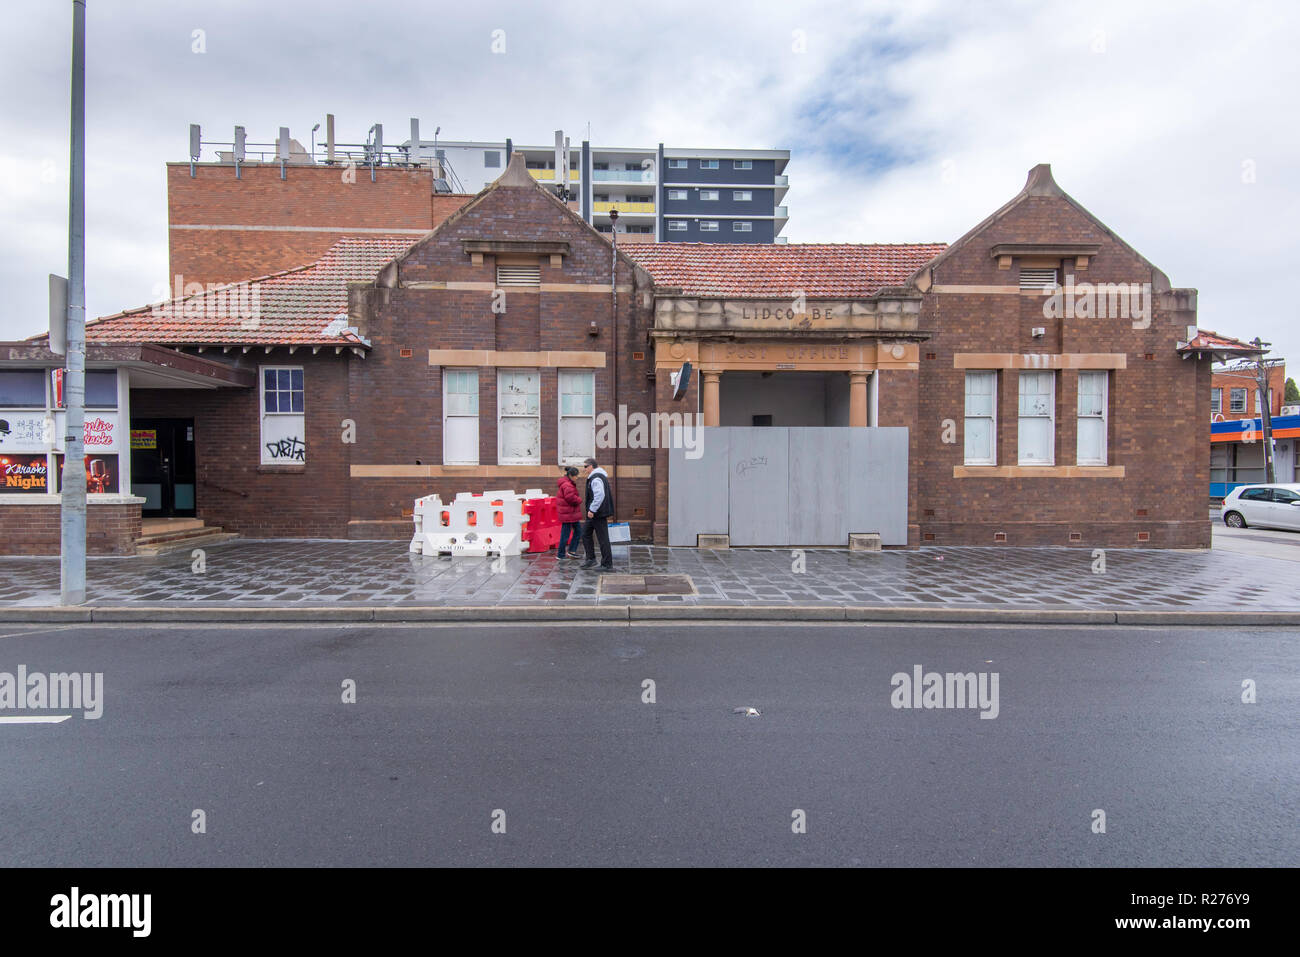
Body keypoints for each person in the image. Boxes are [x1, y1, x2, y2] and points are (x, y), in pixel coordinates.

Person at [579, 456, 614, 570]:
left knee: (603, 538)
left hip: (597, 513)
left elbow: (600, 495)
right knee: (585, 534)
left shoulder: (596, 478)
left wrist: (592, 509)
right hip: (594, 513)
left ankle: (607, 564)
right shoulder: (597, 476)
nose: (584, 469)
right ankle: (590, 559)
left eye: (585, 467)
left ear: (591, 466)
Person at [555, 466, 583, 558]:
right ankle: (561, 554)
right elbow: (570, 498)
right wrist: (579, 500)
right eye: (576, 476)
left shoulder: (567, 483)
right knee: (566, 535)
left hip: (570, 514)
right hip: (568, 514)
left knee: (577, 532)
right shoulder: (567, 484)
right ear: (571, 475)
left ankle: (571, 551)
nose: (577, 477)